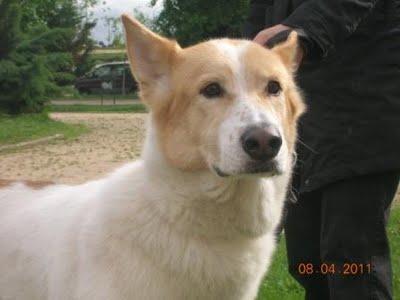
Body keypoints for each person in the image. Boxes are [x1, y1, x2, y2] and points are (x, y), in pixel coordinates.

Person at [244, 1, 400, 299]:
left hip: (363, 104)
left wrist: (303, 31)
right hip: (306, 116)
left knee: (351, 261)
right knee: (308, 261)